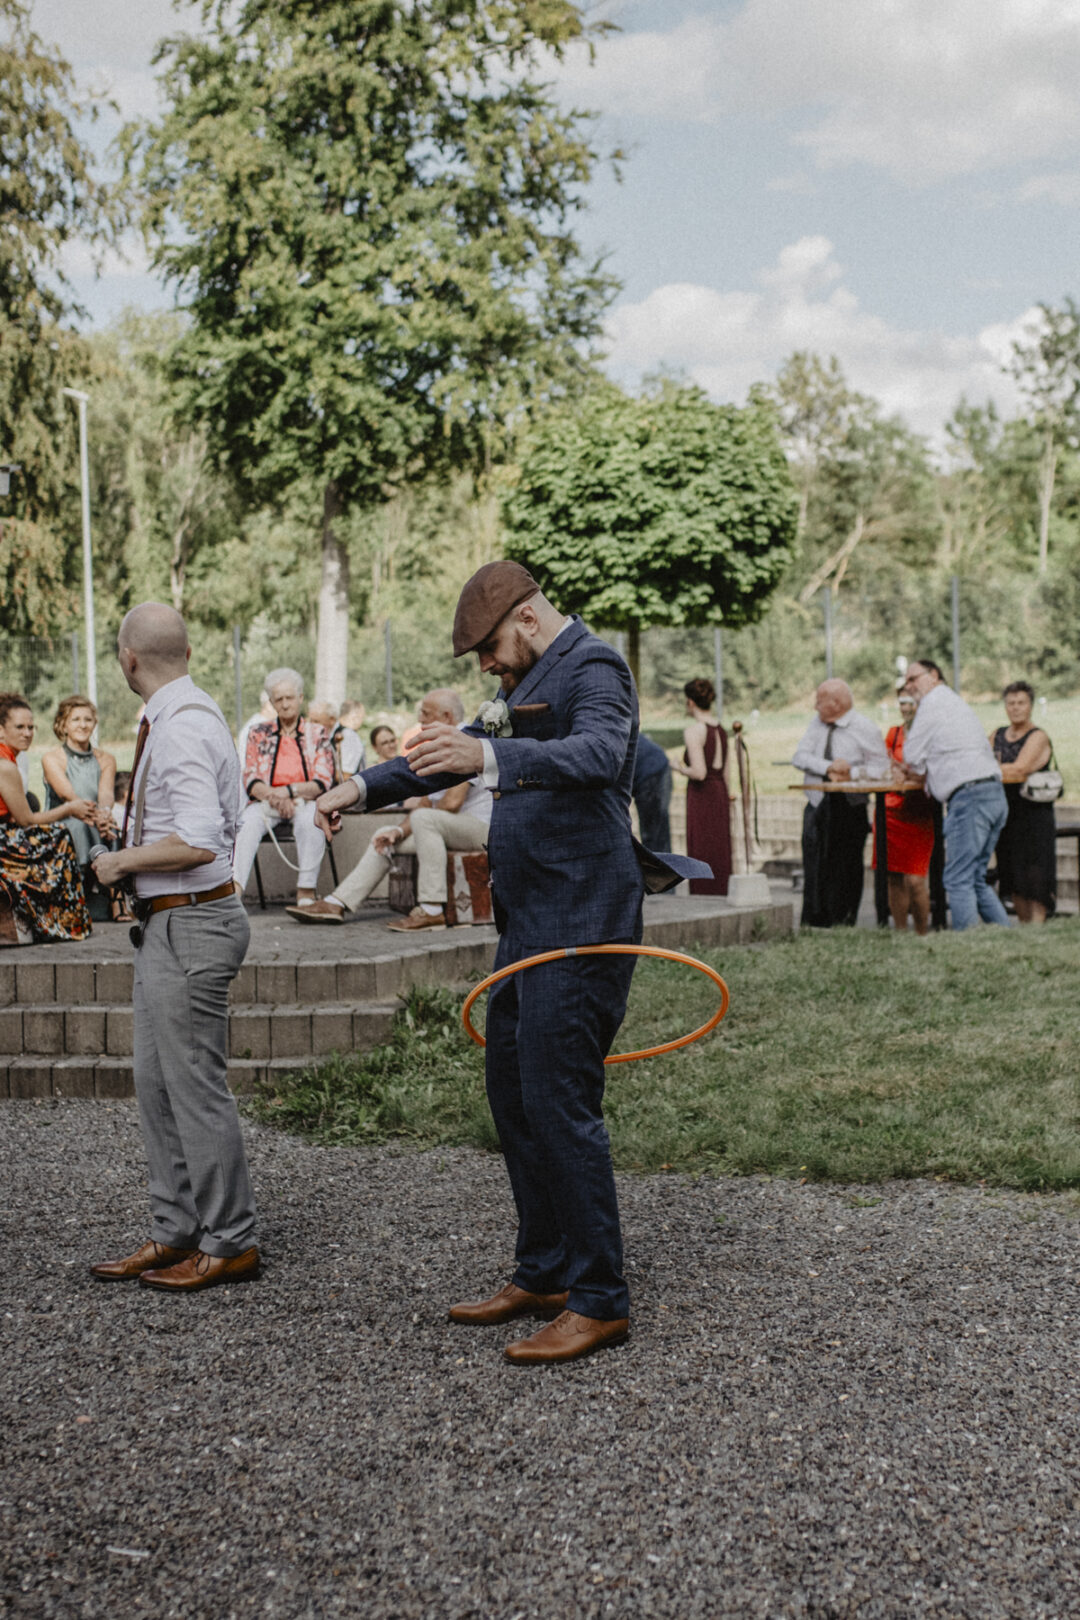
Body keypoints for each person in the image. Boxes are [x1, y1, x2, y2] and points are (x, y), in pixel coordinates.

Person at [314, 561, 707, 1365]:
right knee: (515, 1095)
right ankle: (545, 1270)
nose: (487, 668)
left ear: (526, 619)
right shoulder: (528, 672)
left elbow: (600, 753)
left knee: (560, 1100)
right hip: (528, 924)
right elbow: (443, 758)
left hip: (585, 919)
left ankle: (600, 1298)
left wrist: (489, 760)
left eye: (490, 649)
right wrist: (354, 788)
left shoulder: (595, 664)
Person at [89, 603, 257, 1293]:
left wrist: (120, 862)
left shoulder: (182, 728)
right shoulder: (188, 714)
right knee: (157, 1085)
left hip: (192, 923)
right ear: (184, 651)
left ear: (129, 660)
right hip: (173, 922)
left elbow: (198, 839)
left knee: (192, 1089)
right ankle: (174, 1228)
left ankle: (230, 1240)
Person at [288, 688, 490, 929]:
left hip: (481, 830)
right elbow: (426, 804)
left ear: (447, 717)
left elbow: (453, 802)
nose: (420, 720)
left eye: (425, 714)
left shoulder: (465, 741)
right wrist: (400, 832)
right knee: (385, 836)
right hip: (446, 828)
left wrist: (420, 820)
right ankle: (337, 903)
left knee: (425, 818)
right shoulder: (438, 744)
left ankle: (431, 909)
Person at [898, 659, 1009, 931]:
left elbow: (911, 755)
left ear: (934, 675)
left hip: (969, 796)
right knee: (975, 878)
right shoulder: (953, 702)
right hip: (993, 792)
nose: (909, 686)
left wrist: (921, 767)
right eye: (907, 681)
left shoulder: (932, 703)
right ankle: (1007, 938)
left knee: (958, 879)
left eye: (914, 678)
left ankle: (966, 949)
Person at [232, 668, 336, 908]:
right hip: (267, 802)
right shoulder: (258, 733)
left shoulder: (317, 733)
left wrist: (288, 792)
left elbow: (323, 781)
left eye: (290, 697)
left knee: (311, 819)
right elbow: (250, 777)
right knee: (246, 824)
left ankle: (306, 892)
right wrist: (274, 797)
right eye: (279, 699)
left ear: (300, 698)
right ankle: (234, 893)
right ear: (271, 702)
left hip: (306, 800)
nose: (285, 704)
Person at [793, 679, 890, 928]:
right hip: (817, 803)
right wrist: (828, 767)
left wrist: (850, 774)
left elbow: (882, 768)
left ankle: (843, 919)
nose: (815, 706)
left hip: (849, 806)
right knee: (814, 861)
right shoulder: (817, 724)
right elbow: (800, 756)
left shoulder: (864, 727)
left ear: (836, 704)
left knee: (846, 865)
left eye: (819, 700)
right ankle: (813, 919)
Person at [0, 693, 94, 943]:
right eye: (19, 727)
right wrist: (69, 809)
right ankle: (62, 923)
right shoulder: (5, 766)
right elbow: (27, 821)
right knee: (59, 836)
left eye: (31, 727)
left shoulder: (13, 760)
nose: (28, 733)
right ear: (1, 730)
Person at [41, 695, 119, 915]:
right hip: (63, 819)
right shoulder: (52, 758)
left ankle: (115, 896)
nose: (83, 725)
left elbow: (105, 794)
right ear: (63, 725)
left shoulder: (106, 759)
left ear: (94, 723)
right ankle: (77, 894)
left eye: (88, 719)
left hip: (94, 820)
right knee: (79, 826)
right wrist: (98, 819)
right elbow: (70, 797)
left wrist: (104, 815)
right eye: (75, 719)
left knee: (112, 825)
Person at [991, 680, 1055, 925]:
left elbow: (1021, 768)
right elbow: (981, 761)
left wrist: (994, 768)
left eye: (1021, 703)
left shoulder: (1038, 736)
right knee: (1011, 873)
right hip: (1006, 812)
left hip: (1034, 815)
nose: (1016, 708)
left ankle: (1037, 928)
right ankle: (1023, 926)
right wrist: (998, 769)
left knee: (1035, 874)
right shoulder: (997, 734)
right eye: (1011, 703)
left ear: (1030, 706)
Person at [874, 686, 934, 935]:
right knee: (894, 877)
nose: (906, 708)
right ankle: (900, 932)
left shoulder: (931, 733)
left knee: (915, 879)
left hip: (918, 811)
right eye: (902, 703)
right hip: (891, 810)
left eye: (910, 702)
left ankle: (922, 932)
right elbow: (884, 761)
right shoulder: (894, 733)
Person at [671, 677, 731, 895]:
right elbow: (726, 773)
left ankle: (704, 892)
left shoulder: (694, 731)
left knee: (702, 846)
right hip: (719, 793)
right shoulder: (721, 730)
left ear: (690, 702)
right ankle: (720, 889)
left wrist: (678, 767)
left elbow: (699, 772)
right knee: (719, 847)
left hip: (703, 795)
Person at [632, 731, 672, 855]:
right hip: (650, 768)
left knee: (654, 835)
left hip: (653, 771)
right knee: (654, 833)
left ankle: (661, 871)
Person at [308, 698, 366, 780]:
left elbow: (345, 776)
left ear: (331, 720)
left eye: (316, 721)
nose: (312, 725)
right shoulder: (322, 737)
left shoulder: (348, 736)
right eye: (310, 721)